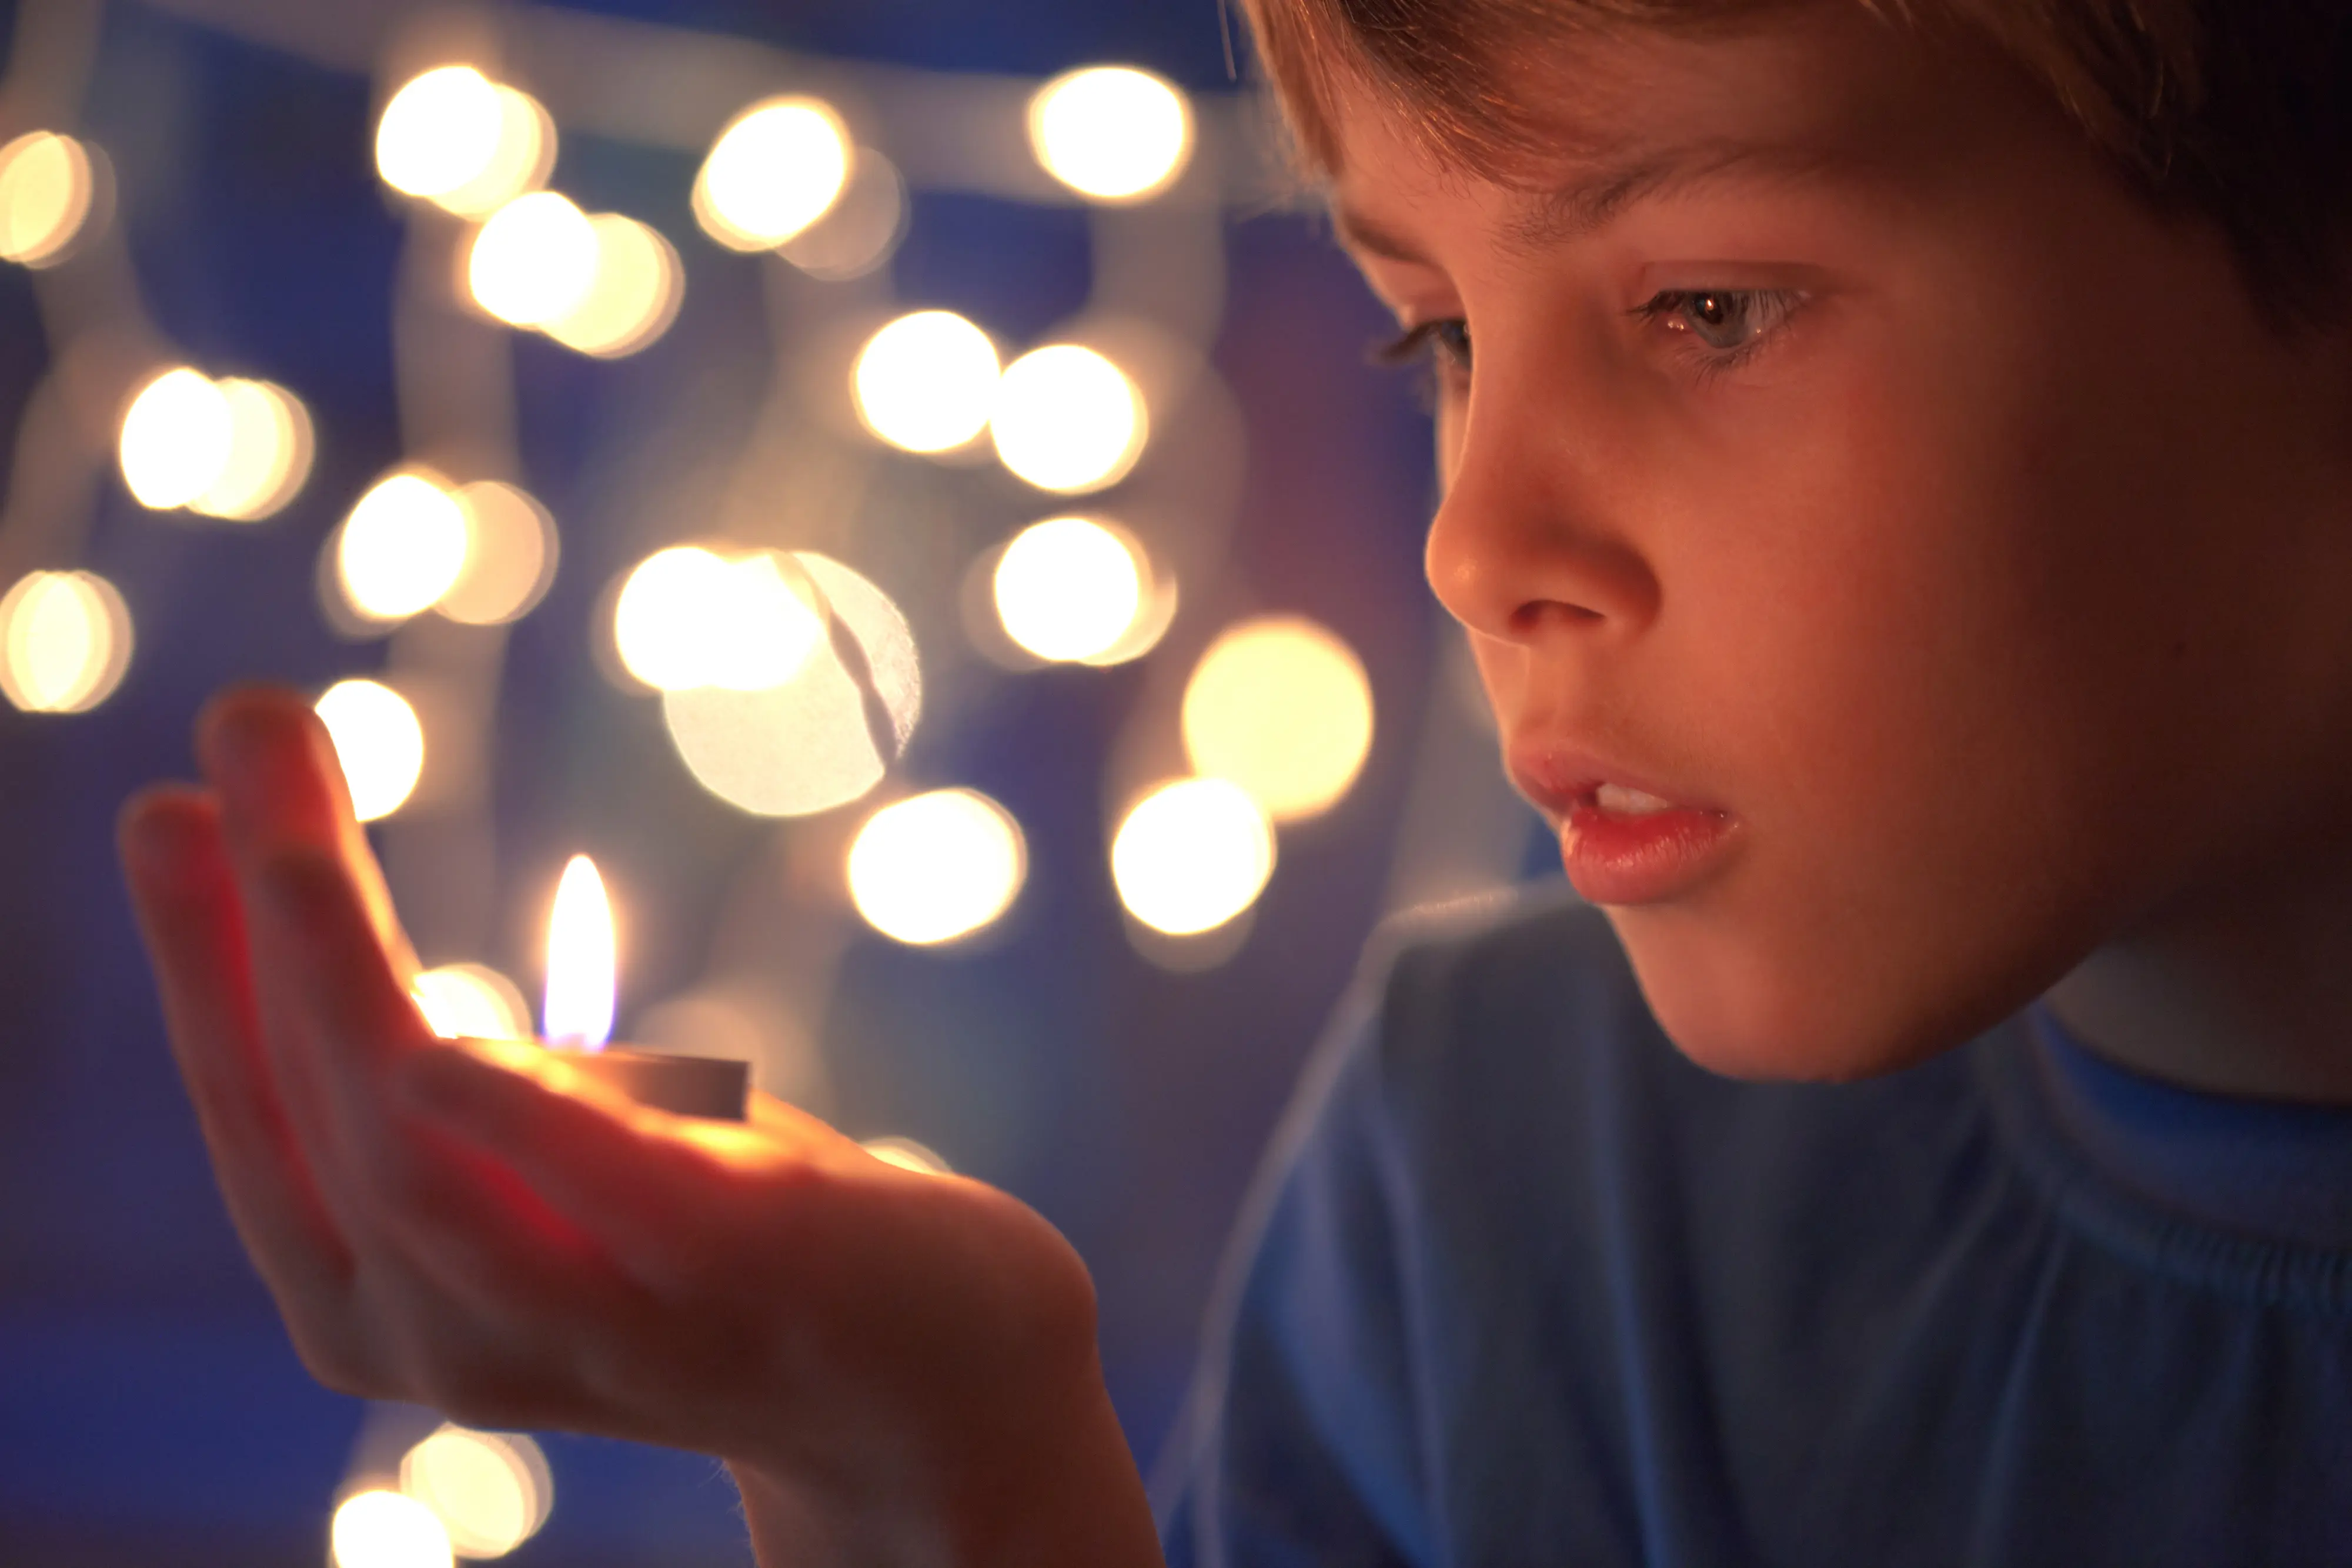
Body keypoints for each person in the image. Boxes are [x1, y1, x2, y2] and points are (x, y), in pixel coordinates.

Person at [119, 0, 2352, 1562]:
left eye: (1707, 309)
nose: (1478, 542)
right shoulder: (1493, 1169)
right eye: (1439, 335)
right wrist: (933, 1472)